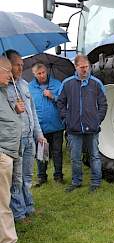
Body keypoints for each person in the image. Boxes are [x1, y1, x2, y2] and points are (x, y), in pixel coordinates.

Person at [5, 50, 46, 222]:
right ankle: (19, 213)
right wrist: (15, 108)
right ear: (8, 66)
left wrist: (39, 134)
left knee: (28, 176)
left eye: (22, 65)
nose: (21, 68)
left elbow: (33, 113)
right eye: (17, 65)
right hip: (16, 140)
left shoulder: (24, 85)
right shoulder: (3, 88)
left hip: (29, 138)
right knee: (17, 179)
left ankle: (29, 207)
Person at [57, 54, 107, 193]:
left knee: (95, 156)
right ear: (76, 66)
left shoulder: (96, 83)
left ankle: (96, 182)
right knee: (75, 157)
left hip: (92, 128)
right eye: (82, 67)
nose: (85, 70)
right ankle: (76, 181)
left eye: (87, 67)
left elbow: (103, 104)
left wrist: (97, 120)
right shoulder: (67, 84)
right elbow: (60, 103)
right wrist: (67, 119)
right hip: (74, 128)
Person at [0, 56, 28, 243]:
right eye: (7, 70)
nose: (11, 75)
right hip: (2, 152)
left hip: (9, 150)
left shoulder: (2, 92)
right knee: (3, 202)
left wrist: (16, 111)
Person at [29, 63, 65, 186]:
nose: (42, 75)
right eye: (39, 73)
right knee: (41, 153)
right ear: (34, 74)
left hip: (57, 125)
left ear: (46, 71)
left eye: (43, 72)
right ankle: (41, 177)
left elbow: (64, 102)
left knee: (57, 152)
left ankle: (58, 176)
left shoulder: (57, 84)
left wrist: (52, 96)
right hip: (40, 127)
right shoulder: (30, 87)